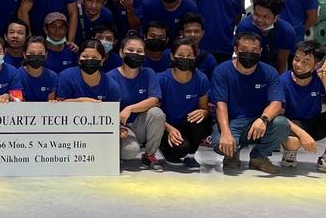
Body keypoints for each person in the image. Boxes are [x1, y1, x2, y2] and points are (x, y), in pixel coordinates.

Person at [211, 32, 291, 174]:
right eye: (244, 49)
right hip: (232, 121)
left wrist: (263, 119)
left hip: (258, 122)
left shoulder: (269, 72)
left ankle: (258, 158)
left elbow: (277, 103)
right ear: (236, 50)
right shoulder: (221, 71)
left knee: (282, 124)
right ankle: (231, 154)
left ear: (260, 51)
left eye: (254, 50)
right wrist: (226, 133)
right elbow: (220, 105)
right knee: (220, 142)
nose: (249, 53)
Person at [279, 40, 326, 176]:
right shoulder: (283, 81)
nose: (298, 65)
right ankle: (289, 151)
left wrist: (325, 81)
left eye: (305, 62)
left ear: (317, 65)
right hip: (292, 124)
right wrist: (302, 134)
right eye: (296, 59)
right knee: (292, 143)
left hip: (314, 121)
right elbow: (279, 115)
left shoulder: (319, 77)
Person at [107, 37, 166, 172]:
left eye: (139, 51)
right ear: (121, 52)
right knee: (130, 151)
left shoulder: (148, 73)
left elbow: (154, 100)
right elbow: (107, 109)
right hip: (120, 126)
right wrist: (117, 127)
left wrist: (130, 108)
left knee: (157, 113)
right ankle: (114, 152)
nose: (135, 54)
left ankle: (149, 155)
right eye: (130, 50)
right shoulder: (110, 77)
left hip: (140, 124)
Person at [157, 37, 213, 170]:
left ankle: (191, 155)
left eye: (189, 55)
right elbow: (155, 113)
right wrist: (169, 129)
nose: (185, 58)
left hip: (188, 124)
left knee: (200, 119)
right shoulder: (161, 78)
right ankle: (164, 148)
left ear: (195, 57)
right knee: (180, 149)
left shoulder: (201, 78)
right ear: (172, 56)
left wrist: (203, 112)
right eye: (181, 55)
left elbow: (205, 108)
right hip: (166, 126)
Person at [237, 0, 298, 72]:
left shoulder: (287, 32)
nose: (260, 20)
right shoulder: (244, 27)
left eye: (265, 17)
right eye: (256, 14)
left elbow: (281, 60)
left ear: (276, 18)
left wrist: (279, 78)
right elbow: (240, 56)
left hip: (272, 69)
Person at [54, 40, 122, 104]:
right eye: (85, 56)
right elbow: (59, 104)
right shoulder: (66, 77)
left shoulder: (111, 85)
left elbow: (113, 110)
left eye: (95, 57)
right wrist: (81, 101)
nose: (89, 60)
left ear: (102, 61)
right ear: (79, 59)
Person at [19, 37, 58, 101]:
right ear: (24, 55)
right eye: (32, 53)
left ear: (46, 55)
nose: (36, 56)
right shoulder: (16, 75)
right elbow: (19, 103)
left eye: (40, 53)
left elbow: (50, 102)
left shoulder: (52, 76)